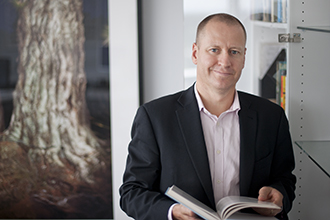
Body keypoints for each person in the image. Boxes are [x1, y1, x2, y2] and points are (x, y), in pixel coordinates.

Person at [120, 13, 296, 220]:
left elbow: (285, 180)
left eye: (234, 51)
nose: (225, 61)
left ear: (243, 58)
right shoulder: (155, 117)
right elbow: (131, 193)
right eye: (214, 50)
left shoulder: (271, 116)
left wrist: (279, 195)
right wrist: (172, 212)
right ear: (195, 53)